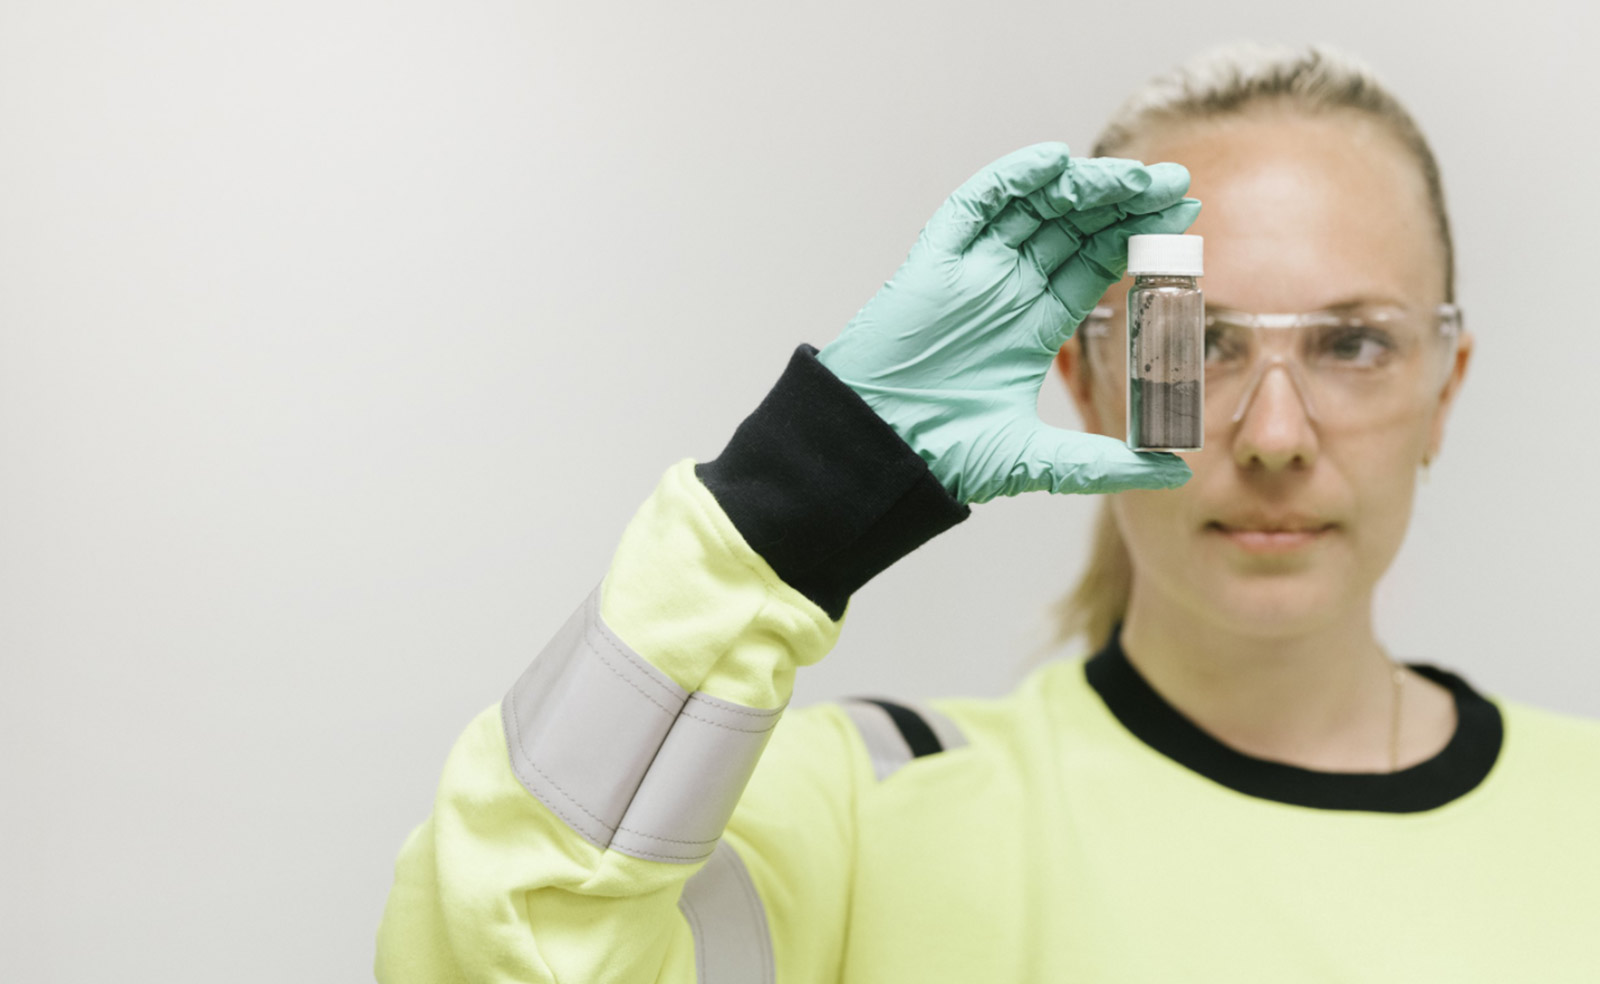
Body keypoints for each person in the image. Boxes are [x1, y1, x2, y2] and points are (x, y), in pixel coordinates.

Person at [375, 42, 1600, 982]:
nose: (1275, 435)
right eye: (1195, 343)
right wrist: (803, 484)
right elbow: (492, 949)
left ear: (1445, 386)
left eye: (1352, 343)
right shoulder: (871, 810)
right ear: (1085, 379)